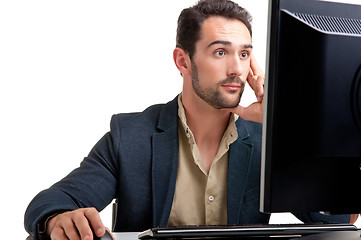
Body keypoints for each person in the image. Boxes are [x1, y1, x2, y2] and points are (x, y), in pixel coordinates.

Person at [24, 0, 355, 239]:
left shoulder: (265, 138)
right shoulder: (131, 136)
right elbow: (49, 204)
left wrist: (286, 126)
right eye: (220, 52)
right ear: (183, 61)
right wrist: (58, 220)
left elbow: (339, 220)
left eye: (244, 54)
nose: (237, 69)